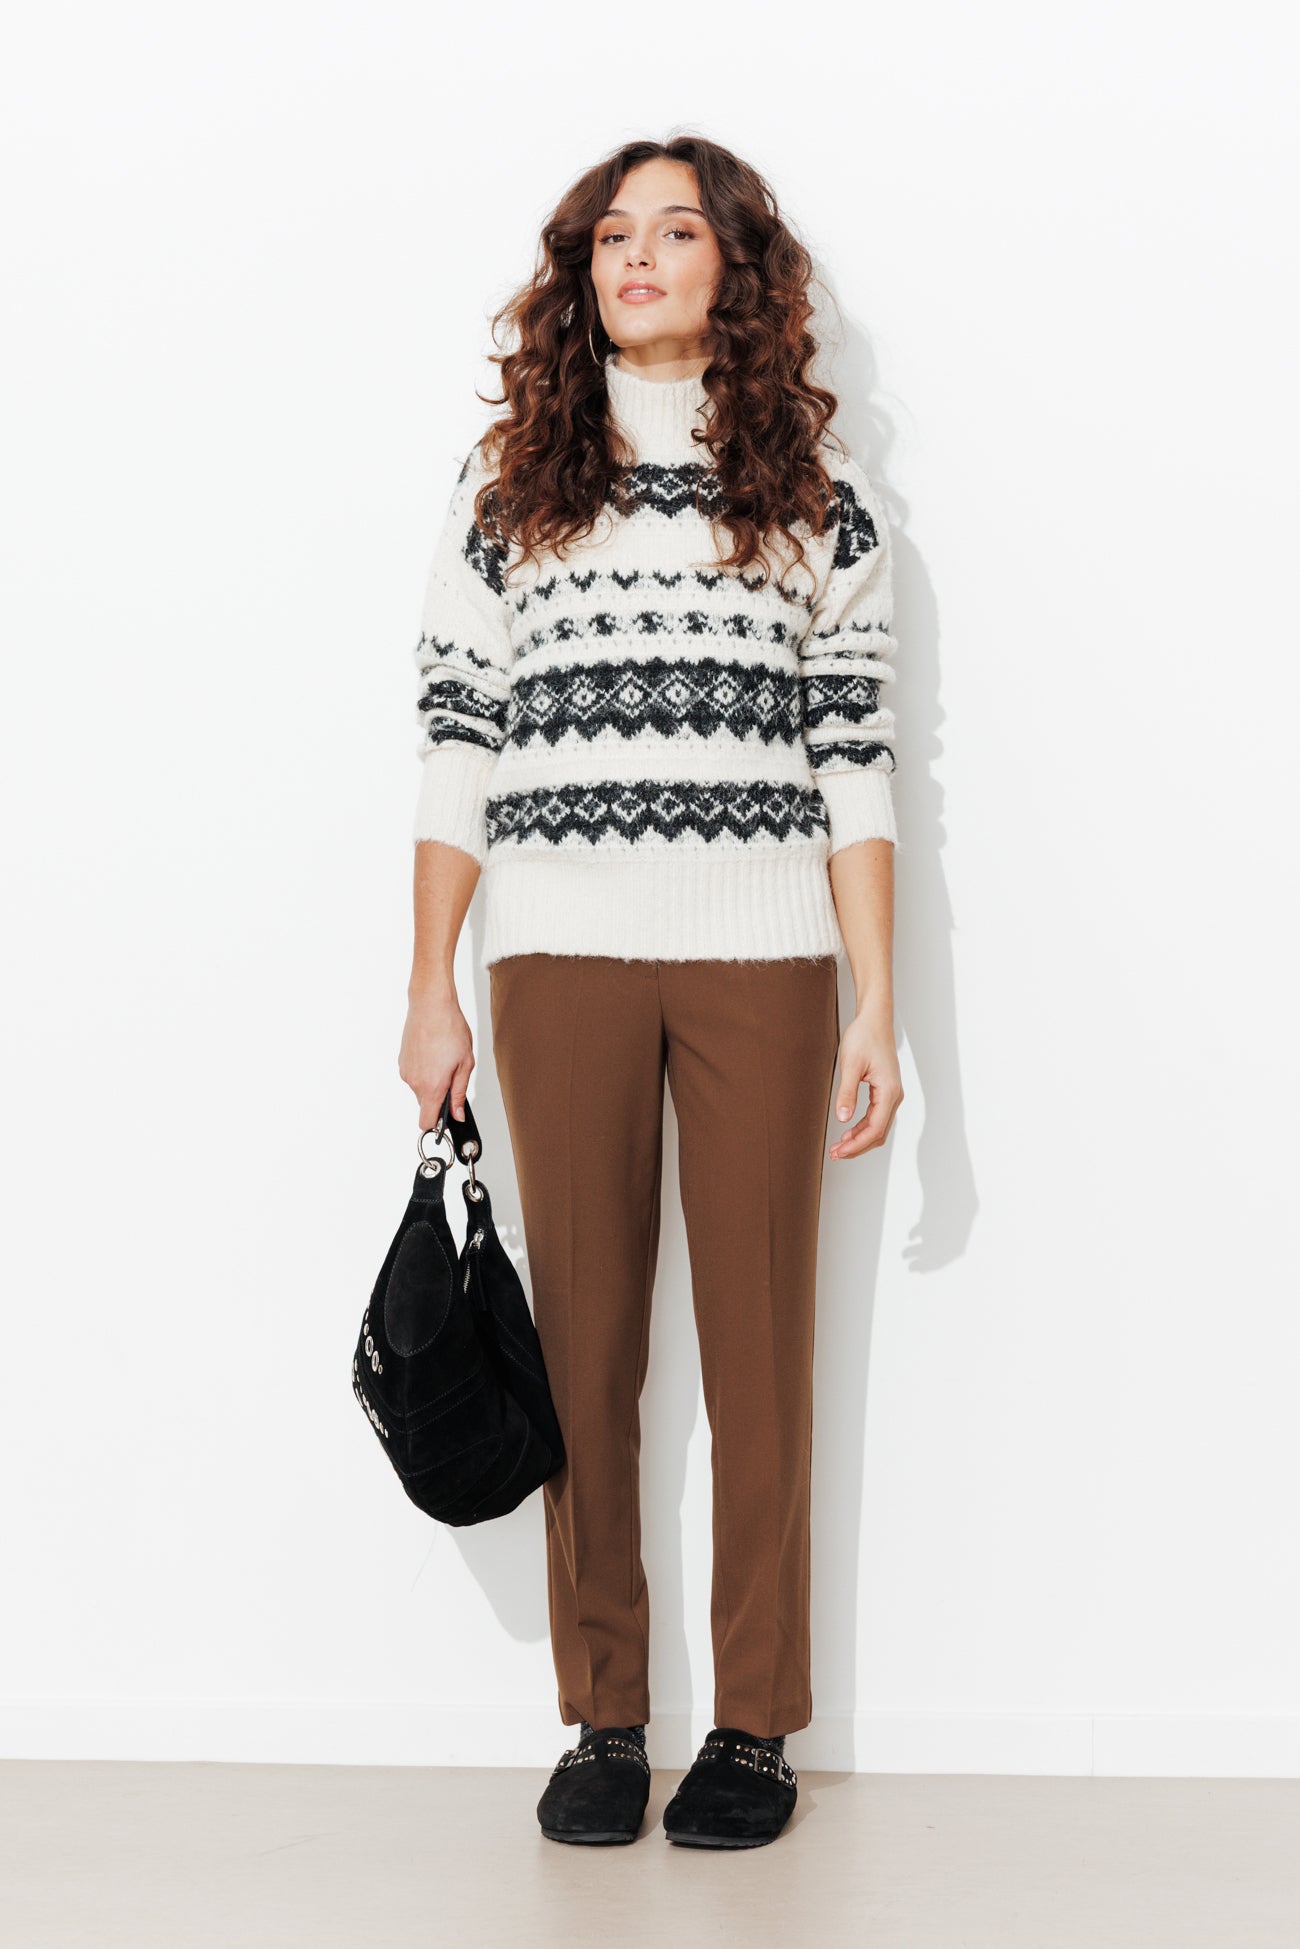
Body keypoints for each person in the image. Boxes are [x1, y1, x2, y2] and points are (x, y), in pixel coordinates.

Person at [397, 133, 903, 1849]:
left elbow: (858, 757)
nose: (637, 256)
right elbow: (455, 739)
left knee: (762, 1354)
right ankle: (603, 1711)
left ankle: (752, 1725)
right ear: (584, 270)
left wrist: (878, 1003)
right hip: (553, 956)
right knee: (588, 1343)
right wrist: (429, 985)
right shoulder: (513, 489)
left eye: (677, 231)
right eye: (614, 233)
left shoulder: (814, 496)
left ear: (733, 271)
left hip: (766, 957)